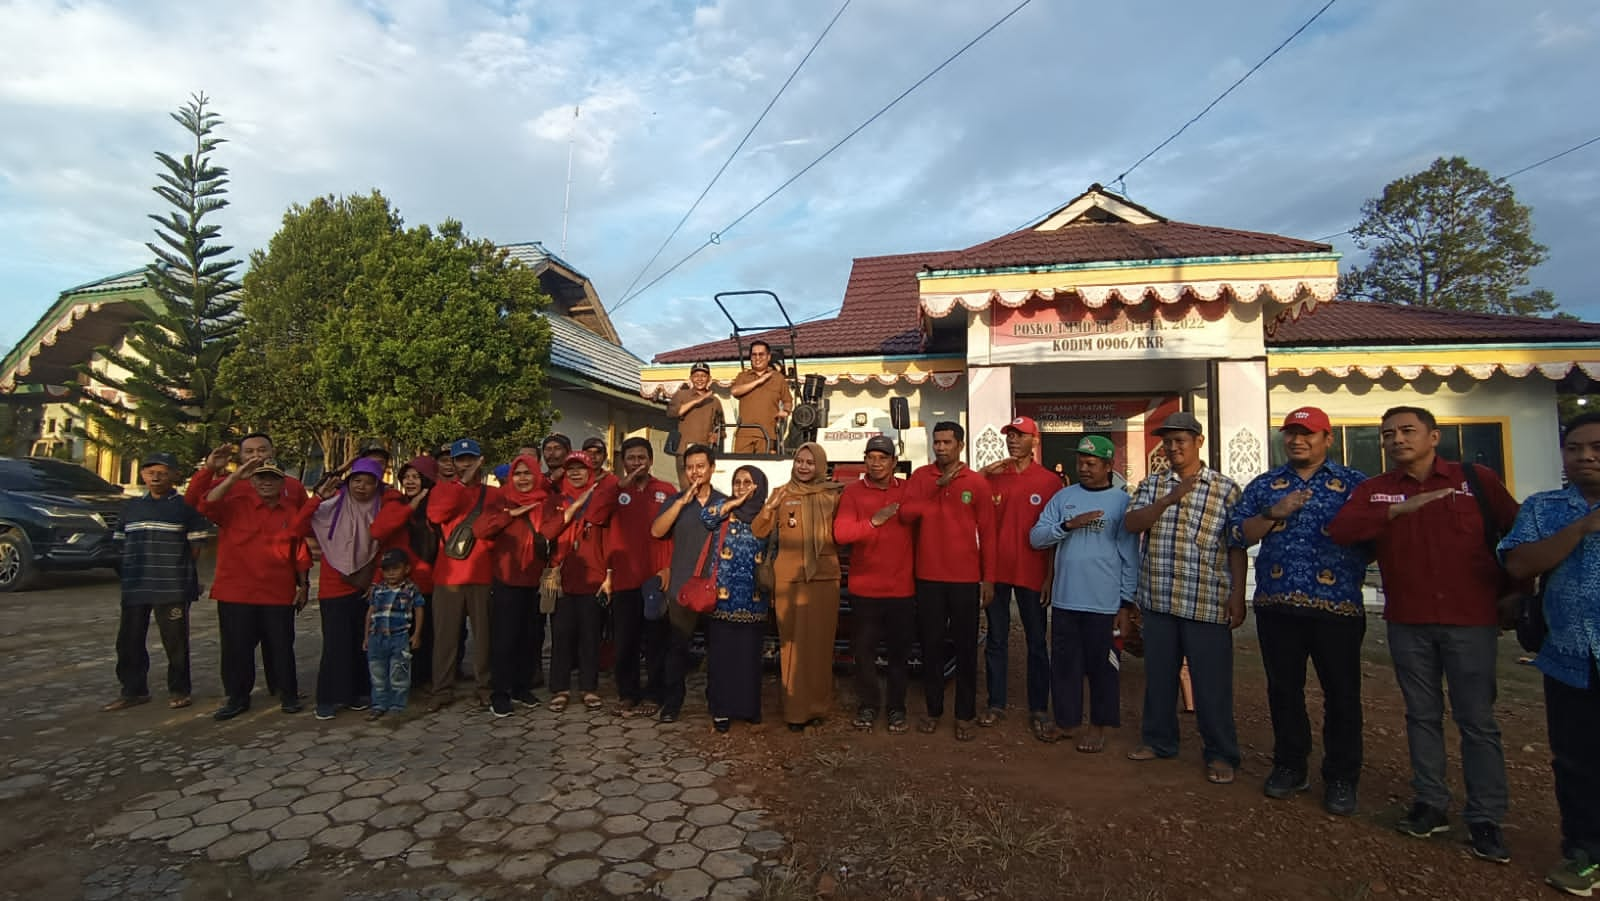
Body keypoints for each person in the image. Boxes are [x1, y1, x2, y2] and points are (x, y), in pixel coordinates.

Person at [1329, 406, 1518, 862]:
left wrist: (1516, 594)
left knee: (1477, 720)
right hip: (1409, 619)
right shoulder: (1376, 490)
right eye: (1388, 434)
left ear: (1434, 436)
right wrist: (1397, 512)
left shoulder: (1475, 481)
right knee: (1421, 715)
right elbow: (1341, 530)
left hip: (1471, 620)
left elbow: (1517, 534)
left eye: (1407, 431)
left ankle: (1485, 817)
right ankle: (1430, 803)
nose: (1397, 440)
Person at [1225, 407, 1371, 813]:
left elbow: (1375, 536)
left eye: (1307, 433)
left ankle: (1342, 776)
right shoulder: (1267, 484)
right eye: (1290, 433)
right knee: (1283, 691)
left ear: (1327, 438)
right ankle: (1290, 766)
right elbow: (1236, 533)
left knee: (1342, 695)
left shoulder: (1355, 485)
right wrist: (1274, 513)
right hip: (1278, 606)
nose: (1297, 441)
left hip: (1338, 607)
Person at [1499, 411, 1600, 895]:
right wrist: (1582, 529)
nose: (1585, 457)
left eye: (1596, 447)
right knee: (1575, 758)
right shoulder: (1545, 508)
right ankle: (1582, 851)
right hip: (1570, 653)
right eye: (1575, 448)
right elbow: (1519, 561)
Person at [1124, 411, 1247, 785]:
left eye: (1181, 440)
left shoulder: (1225, 488)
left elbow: (1236, 546)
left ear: (1198, 442)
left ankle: (1221, 754)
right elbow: (1131, 524)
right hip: (1159, 598)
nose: (1174, 447)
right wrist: (1168, 499)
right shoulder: (1152, 484)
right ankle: (1159, 741)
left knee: (1211, 686)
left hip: (1206, 601)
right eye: (1168, 441)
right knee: (1159, 679)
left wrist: (1239, 595)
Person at [1029, 435, 1140, 752]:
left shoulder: (1122, 502)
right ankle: (1066, 723)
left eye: (1092, 463)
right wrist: (1067, 525)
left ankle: (1098, 726)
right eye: (1081, 462)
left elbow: (1130, 554)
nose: (1085, 468)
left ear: (1108, 465)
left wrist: (1125, 602)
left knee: (1103, 667)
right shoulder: (1064, 498)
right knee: (1064, 666)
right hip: (1066, 600)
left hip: (1105, 604)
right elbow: (1036, 538)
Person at [898, 421, 997, 742]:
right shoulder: (921, 478)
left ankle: (965, 714)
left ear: (960, 445)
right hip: (928, 578)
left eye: (946, 442)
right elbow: (905, 514)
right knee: (931, 647)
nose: (940, 447)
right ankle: (932, 710)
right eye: (936, 442)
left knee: (967, 649)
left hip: (966, 580)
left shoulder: (977, 483)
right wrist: (936, 488)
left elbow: (989, 535)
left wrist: (989, 579)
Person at [196, 458, 311, 720]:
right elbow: (207, 504)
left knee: (281, 646)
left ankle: (288, 695)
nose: (266, 482)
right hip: (236, 591)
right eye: (260, 478)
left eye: (272, 477)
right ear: (252, 481)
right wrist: (235, 477)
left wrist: (303, 585)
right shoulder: (235, 506)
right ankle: (237, 698)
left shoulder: (290, 511)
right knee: (237, 649)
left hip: (277, 591)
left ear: (283, 483)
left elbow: (300, 552)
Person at [103, 452, 212, 712]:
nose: (156, 476)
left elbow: (196, 547)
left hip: (171, 585)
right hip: (136, 585)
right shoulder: (131, 508)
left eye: (163, 472)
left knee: (175, 642)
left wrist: (183, 573)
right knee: (129, 641)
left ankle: (179, 690)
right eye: (150, 471)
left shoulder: (184, 508)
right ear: (143, 475)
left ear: (174, 476)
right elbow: (119, 544)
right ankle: (133, 690)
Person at [295, 456, 394, 720]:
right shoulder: (330, 506)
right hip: (333, 584)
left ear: (377, 485)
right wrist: (316, 498)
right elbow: (297, 527)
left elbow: (384, 547)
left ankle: (358, 693)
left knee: (362, 642)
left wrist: (375, 582)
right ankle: (328, 697)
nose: (362, 487)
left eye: (369, 482)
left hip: (365, 583)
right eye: (357, 481)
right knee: (335, 644)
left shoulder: (380, 509)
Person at [754, 442, 844, 732]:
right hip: (789, 580)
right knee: (791, 644)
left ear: (820, 465)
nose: (803, 467)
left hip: (824, 579)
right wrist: (770, 506)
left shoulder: (833, 494)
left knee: (820, 644)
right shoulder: (782, 493)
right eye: (799, 461)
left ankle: (818, 707)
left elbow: (844, 532)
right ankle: (795, 711)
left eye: (810, 462)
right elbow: (759, 530)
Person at [980, 416, 1061, 733]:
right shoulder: (994, 477)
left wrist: (1050, 577)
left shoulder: (1050, 483)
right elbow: (970, 499)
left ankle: (1039, 707)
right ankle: (995, 703)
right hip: (997, 573)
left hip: (1032, 574)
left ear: (1035, 441)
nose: (1013, 440)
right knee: (996, 640)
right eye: (1009, 435)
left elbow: (1055, 535)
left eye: (1019, 435)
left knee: (1037, 642)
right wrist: (986, 472)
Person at [833, 435, 915, 733]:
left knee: (899, 654)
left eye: (883, 457)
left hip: (901, 590)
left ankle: (896, 708)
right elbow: (841, 534)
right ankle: (868, 705)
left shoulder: (907, 491)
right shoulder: (853, 493)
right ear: (864, 460)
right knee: (863, 654)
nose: (876, 462)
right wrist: (873, 523)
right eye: (871, 457)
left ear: (894, 462)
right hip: (864, 590)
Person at [589, 437, 675, 717]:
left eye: (642, 458)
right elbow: (594, 515)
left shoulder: (665, 490)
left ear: (650, 460)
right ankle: (628, 694)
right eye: (631, 458)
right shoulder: (613, 490)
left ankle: (655, 694)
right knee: (625, 641)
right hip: (624, 578)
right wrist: (618, 487)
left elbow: (675, 533)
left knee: (656, 641)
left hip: (655, 579)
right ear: (622, 462)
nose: (637, 463)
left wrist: (668, 569)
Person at [473, 452, 549, 717]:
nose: (523, 478)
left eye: (528, 473)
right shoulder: (501, 499)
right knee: (504, 639)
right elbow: (480, 530)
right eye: (518, 473)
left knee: (530, 637)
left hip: (535, 579)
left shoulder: (545, 500)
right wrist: (511, 514)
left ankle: (521, 687)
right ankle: (500, 693)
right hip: (507, 578)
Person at [700, 465, 773, 733]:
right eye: (737, 482)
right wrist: (735, 502)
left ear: (760, 486)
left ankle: (748, 709)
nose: (741, 486)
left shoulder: (767, 515)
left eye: (748, 482)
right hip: (722, 598)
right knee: (722, 657)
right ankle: (721, 710)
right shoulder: (723, 510)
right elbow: (705, 517)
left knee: (749, 658)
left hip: (754, 599)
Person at [651, 443, 719, 723]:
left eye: (701, 466)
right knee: (677, 648)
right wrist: (681, 502)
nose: (695, 472)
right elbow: (657, 531)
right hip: (681, 588)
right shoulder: (675, 502)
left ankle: (717, 702)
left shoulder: (723, 502)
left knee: (717, 651)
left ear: (712, 469)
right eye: (690, 467)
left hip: (714, 589)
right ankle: (672, 703)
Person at [426, 438, 496, 709]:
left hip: (482, 572)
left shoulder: (492, 494)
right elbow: (436, 515)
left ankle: (485, 686)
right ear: (452, 463)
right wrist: (462, 485)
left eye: (471, 458)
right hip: (448, 576)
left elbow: (499, 523)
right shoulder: (442, 491)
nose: (465, 464)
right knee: (445, 637)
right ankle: (442, 689)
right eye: (460, 459)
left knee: (485, 637)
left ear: (480, 461)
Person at [541, 453, 610, 713]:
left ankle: (588, 688)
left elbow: (608, 538)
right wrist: (572, 509)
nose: (576, 473)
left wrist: (609, 574)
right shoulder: (555, 501)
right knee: (560, 635)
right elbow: (547, 532)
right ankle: (559, 689)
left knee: (590, 636)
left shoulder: (600, 500)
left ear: (591, 472)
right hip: (557, 577)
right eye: (571, 469)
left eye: (582, 469)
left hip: (593, 576)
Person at [371, 456, 439, 688]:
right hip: (398, 582)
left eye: (416, 477)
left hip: (429, 579)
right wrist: (411, 506)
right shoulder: (394, 503)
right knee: (400, 634)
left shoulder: (437, 503)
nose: (410, 482)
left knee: (426, 633)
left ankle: (424, 679)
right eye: (406, 477)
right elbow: (378, 531)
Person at [363, 548, 426, 720]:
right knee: (377, 674)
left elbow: (419, 610)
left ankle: (397, 706)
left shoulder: (411, 589)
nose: (390, 573)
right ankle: (379, 705)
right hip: (377, 637)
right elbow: (370, 612)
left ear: (406, 569)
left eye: (395, 568)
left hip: (399, 637)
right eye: (386, 570)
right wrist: (366, 637)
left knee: (399, 673)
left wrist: (417, 634)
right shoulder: (377, 589)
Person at [729, 340, 792, 454]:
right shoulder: (743, 376)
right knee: (741, 467)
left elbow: (788, 400)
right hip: (744, 434)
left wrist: (785, 412)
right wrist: (759, 381)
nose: (757, 358)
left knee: (763, 469)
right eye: (754, 355)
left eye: (761, 354)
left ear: (768, 357)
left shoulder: (778, 378)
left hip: (767, 434)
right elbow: (735, 391)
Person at [670, 361, 724, 455]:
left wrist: (716, 436)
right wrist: (696, 401)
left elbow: (721, 427)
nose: (699, 379)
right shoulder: (681, 395)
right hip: (683, 450)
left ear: (709, 379)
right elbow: (672, 413)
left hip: (705, 451)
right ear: (691, 378)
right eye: (696, 376)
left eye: (703, 376)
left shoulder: (714, 401)